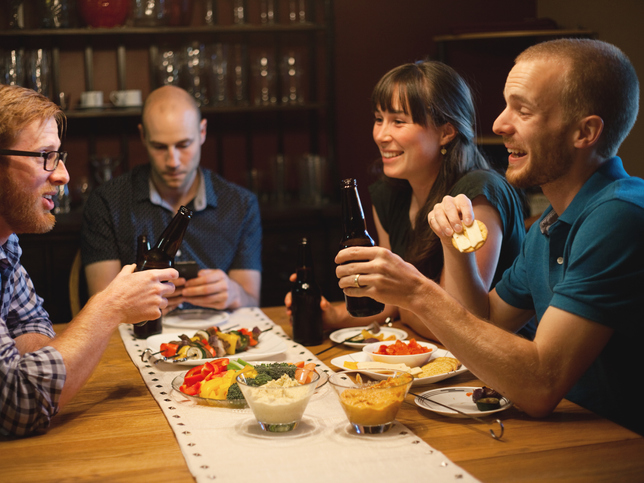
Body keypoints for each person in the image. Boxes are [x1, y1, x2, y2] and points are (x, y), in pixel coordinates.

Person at [335, 39, 643, 435]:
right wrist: (455, 246)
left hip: (617, 445)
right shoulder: (552, 222)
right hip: (567, 430)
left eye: (523, 110)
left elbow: (541, 385)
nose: (498, 124)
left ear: (585, 132)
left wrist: (417, 292)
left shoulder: (618, 215)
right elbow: (483, 322)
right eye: (505, 105)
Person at [0, 83, 177, 481]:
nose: (63, 174)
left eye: (58, 156)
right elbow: (18, 405)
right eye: (45, 157)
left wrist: (31, 369)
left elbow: (32, 325)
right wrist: (108, 307)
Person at [287, 60, 527, 340]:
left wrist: (406, 309)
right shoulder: (389, 195)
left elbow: (460, 324)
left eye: (398, 121)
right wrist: (332, 315)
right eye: (379, 119)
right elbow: (390, 300)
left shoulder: (476, 194)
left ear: (446, 132)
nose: (381, 135)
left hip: (499, 363)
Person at [81, 85, 262, 312]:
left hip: (217, 337)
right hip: (138, 337)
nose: (173, 161)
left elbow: (251, 301)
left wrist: (235, 294)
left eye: (183, 145)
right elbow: (100, 308)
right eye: (159, 147)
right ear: (143, 137)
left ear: (203, 132)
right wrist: (135, 305)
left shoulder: (241, 205)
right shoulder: (108, 202)